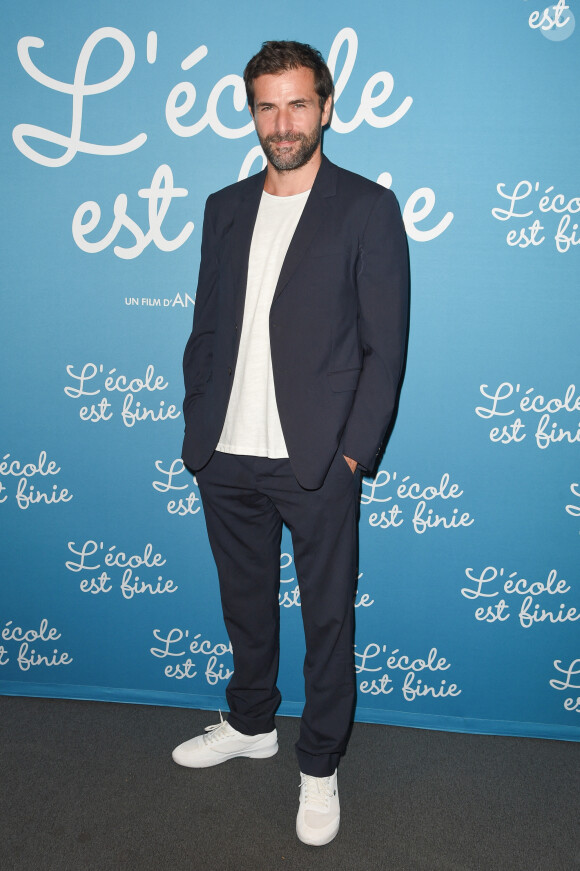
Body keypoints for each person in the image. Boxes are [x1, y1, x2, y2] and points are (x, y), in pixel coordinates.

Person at [173, 40, 409, 847]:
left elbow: (386, 349)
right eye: (267, 106)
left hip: (316, 463)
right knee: (244, 606)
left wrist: (351, 456)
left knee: (327, 618)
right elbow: (205, 329)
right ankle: (250, 723)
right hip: (224, 455)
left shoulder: (366, 209)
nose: (282, 122)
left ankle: (318, 763)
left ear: (327, 107)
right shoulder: (223, 205)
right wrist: (195, 422)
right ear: (252, 113)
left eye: (297, 104)